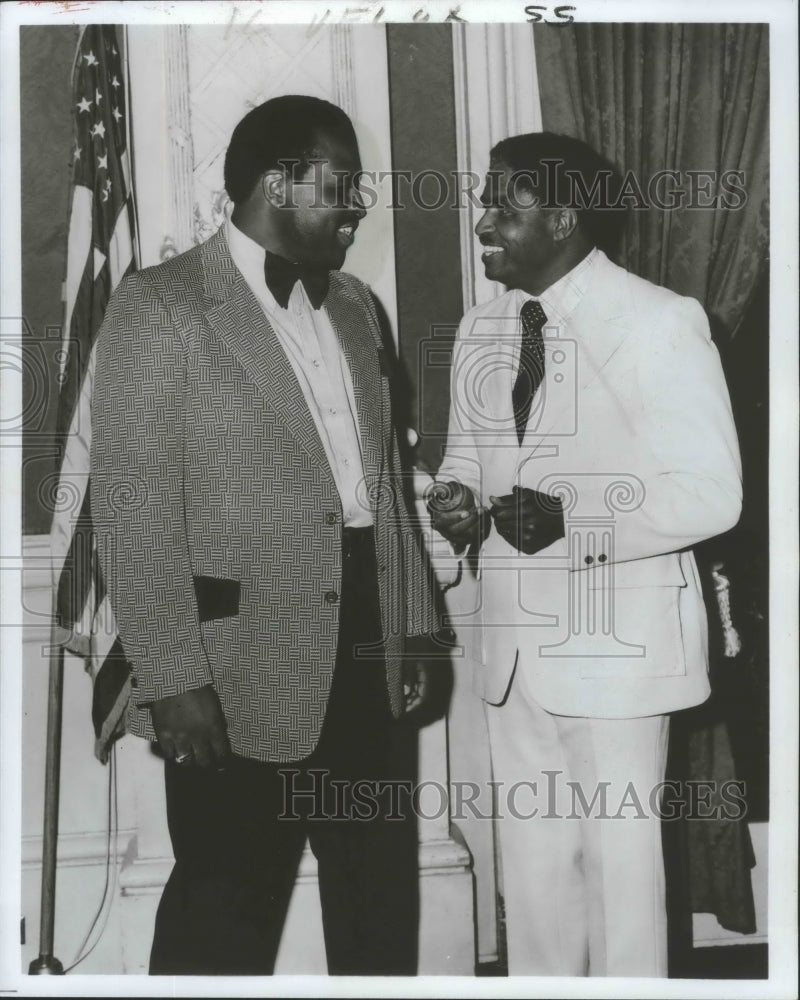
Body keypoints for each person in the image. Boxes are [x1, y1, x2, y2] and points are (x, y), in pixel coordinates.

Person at [91, 95, 437, 976]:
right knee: (223, 915)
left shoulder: (358, 307)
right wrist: (173, 682)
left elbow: (383, 489)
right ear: (277, 181)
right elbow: (130, 507)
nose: (358, 205)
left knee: (378, 907)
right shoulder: (160, 306)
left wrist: (412, 627)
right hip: (233, 668)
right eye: (341, 185)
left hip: (370, 645)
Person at [430, 132, 742, 976]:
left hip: (620, 653)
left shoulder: (659, 320)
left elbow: (713, 492)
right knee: (533, 889)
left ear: (564, 217)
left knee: (621, 888)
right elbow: (468, 458)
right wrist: (455, 505)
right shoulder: (479, 326)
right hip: (512, 655)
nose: (482, 222)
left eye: (504, 204)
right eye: (484, 202)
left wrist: (575, 518)